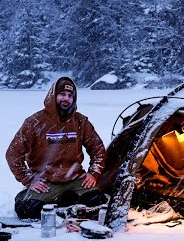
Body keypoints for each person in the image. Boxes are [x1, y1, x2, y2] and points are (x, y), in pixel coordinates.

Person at [6, 76, 108, 220]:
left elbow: (98, 149)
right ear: (53, 96)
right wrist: (29, 180)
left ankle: (66, 199)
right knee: (27, 210)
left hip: (75, 179)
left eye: (70, 95)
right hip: (46, 182)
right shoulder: (34, 122)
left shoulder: (81, 121)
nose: (66, 99)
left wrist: (93, 173)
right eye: (62, 94)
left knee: (98, 201)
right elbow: (13, 154)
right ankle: (46, 198)